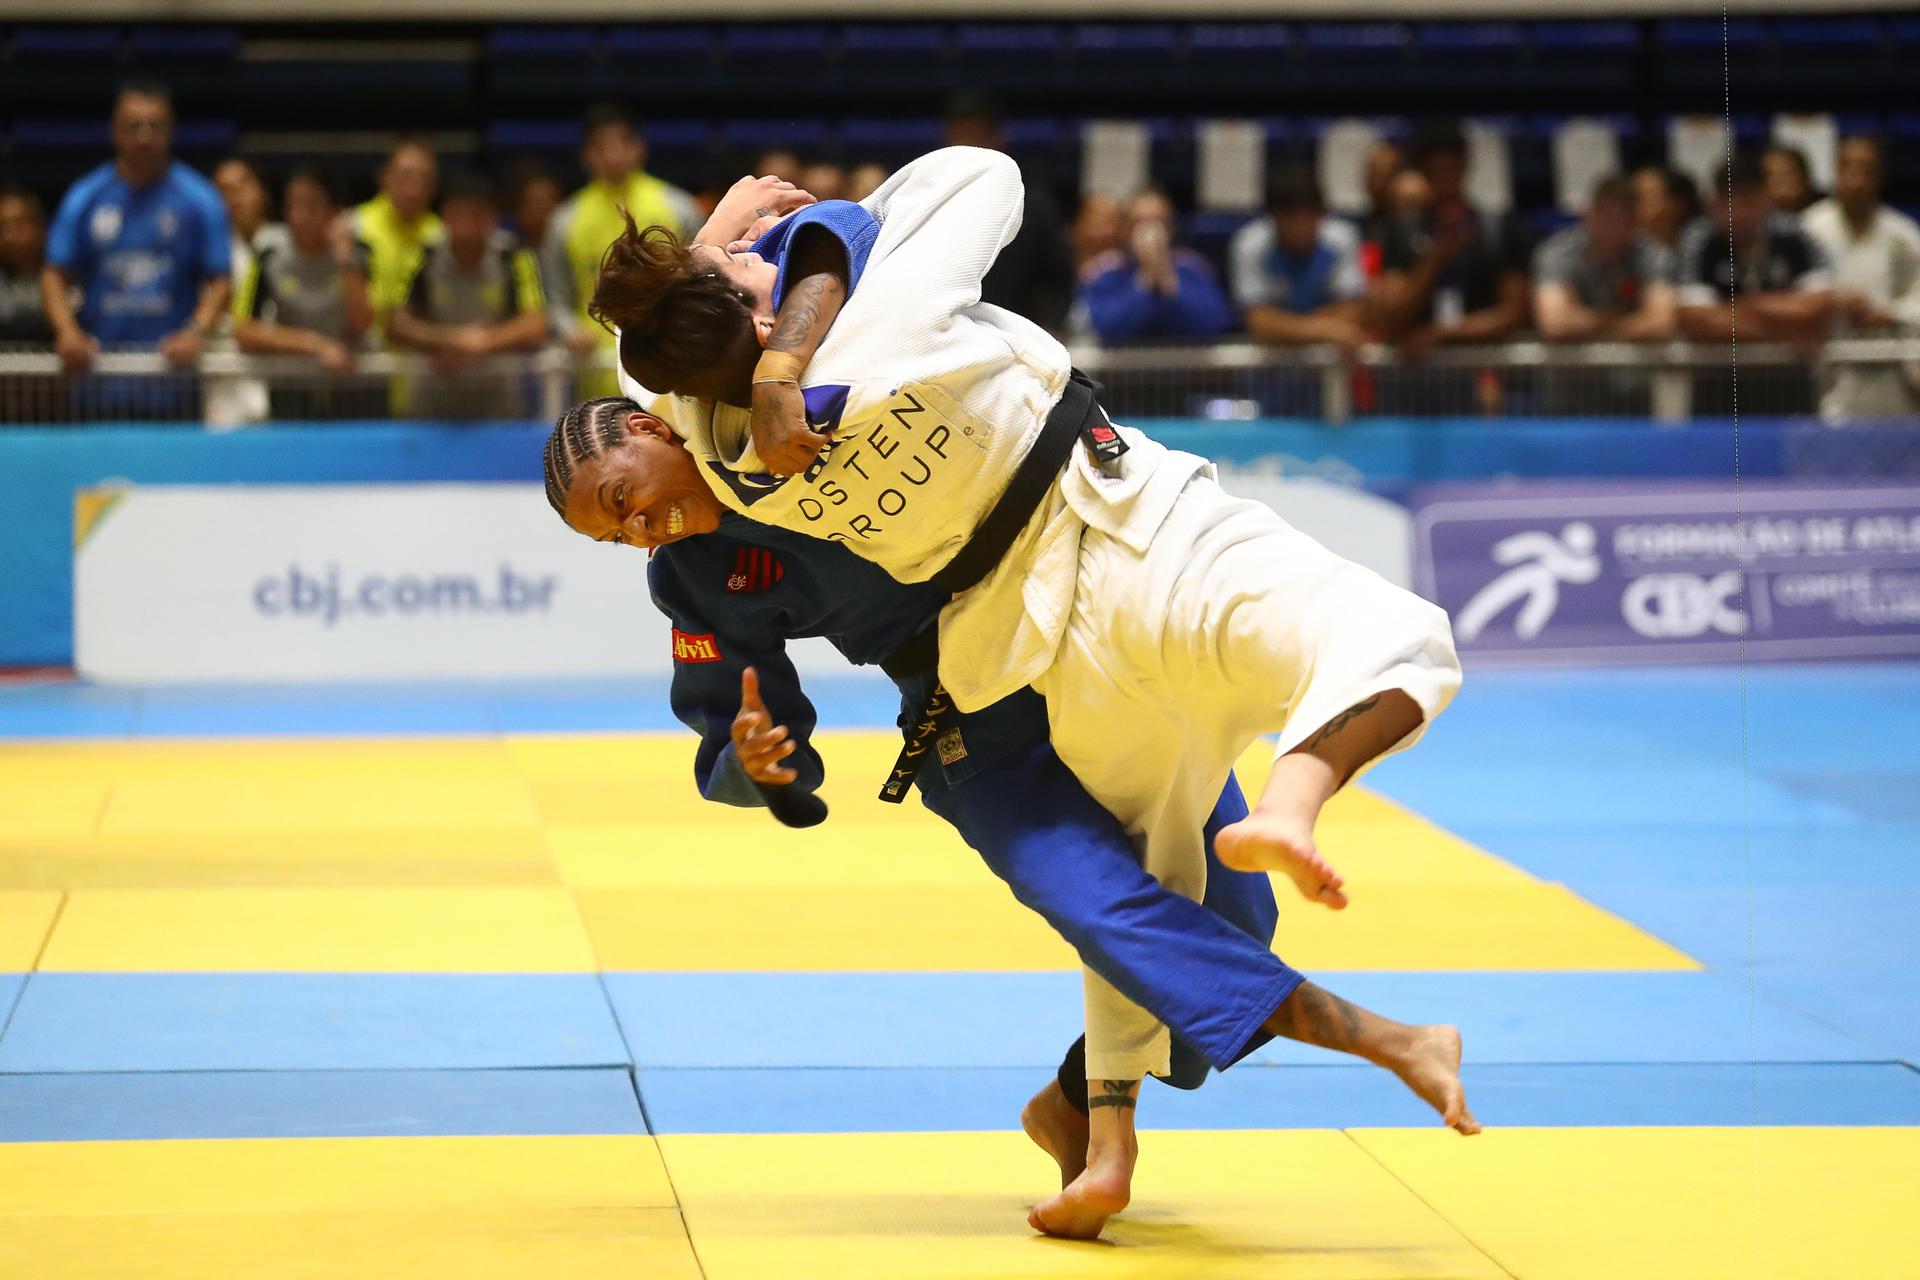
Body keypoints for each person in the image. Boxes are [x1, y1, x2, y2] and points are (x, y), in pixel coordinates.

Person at [583, 146, 1474, 1236]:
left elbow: (870, 225)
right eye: (612, 529)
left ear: (648, 427)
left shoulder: (794, 347)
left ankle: (1079, 1108)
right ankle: (1359, 1041)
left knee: (1229, 918)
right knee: (1107, 900)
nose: (638, 531)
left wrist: (728, 253)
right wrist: (756, 766)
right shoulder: (694, 547)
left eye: (627, 500)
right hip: (967, 693)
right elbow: (731, 724)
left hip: (1088, 575)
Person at [41, 80, 231, 379]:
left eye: (155, 126)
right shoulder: (85, 195)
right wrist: (68, 332)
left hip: (173, 380)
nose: (145, 137)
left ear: (172, 130)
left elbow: (221, 279)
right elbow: (54, 274)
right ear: (114, 130)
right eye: (133, 126)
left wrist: (195, 332)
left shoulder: (201, 198)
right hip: (99, 374)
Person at [542, 103, 702, 395]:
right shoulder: (564, 221)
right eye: (602, 147)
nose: (613, 155)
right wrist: (569, 331)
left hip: (669, 364)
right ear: (586, 154)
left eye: (622, 144)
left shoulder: (680, 208)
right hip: (595, 370)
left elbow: (701, 280)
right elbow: (555, 299)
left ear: (639, 148)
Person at [388, 174, 546, 419]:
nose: (466, 227)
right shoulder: (420, 255)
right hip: (432, 402)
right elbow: (397, 325)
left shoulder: (514, 256)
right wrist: (453, 340)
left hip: (497, 405)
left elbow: (535, 325)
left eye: (476, 216)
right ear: (444, 218)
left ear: (492, 218)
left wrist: (484, 342)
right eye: (457, 215)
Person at [1372, 120, 1531, 354]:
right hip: (1414, 378)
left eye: (1450, 170)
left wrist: (1442, 333)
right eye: (1435, 173)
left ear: (1465, 167)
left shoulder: (1499, 229)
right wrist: (1434, 259)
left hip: (1486, 372)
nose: (1444, 182)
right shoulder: (1400, 231)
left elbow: (1514, 313)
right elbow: (1391, 313)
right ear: (1422, 173)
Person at [232, 169, 375, 416]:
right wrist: (315, 345)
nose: (297, 217)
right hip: (292, 395)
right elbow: (244, 331)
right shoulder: (269, 256)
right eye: (291, 206)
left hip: (353, 392)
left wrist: (345, 260)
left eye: (310, 207)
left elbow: (362, 324)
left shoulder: (360, 252)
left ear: (335, 213)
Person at [1800, 136, 1920, 421]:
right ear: (1834, 172)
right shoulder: (1807, 228)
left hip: (1887, 369)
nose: (1856, 180)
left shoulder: (1902, 235)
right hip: (1820, 365)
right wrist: (1831, 304)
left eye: (1866, 170)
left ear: (1880, 177)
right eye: (1847, 168)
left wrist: (1890, 313)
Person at [943, 93, 1076, 335]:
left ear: (997, 139)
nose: (968, 146)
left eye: (977, 136)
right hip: (949, 339)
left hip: (1017, 341)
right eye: (960, 136)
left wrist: (1051, 328)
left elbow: (1059, 275)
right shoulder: (933, 199)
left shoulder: (1032, 202)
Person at [1676, 153, 1834, 347]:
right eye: (1729, 201)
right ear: (1714, 203)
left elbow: (1820, 306)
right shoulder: (1698, 239)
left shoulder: (1793, 233)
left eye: (1749, 200)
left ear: (1766, 198)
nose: (1739, 212)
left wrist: (1740, 305)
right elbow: (1696, 321)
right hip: (1718, 372)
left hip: (1790, 373)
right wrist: (1785, 329)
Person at [1229, 166, 1369, 352]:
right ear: (1273, 217)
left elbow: (1351, 313)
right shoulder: (1249, 245)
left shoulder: (1342, 238)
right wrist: (1328, 330)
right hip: (1269, 367)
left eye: (1308, 215)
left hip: (1328, 365)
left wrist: (1284, 325)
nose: (1299, 227)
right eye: (1290, 217)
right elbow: (1259, 323)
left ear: (1321, 213)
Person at [1077, 188, 1234, 345]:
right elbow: (1105, 329)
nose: (1150, 232)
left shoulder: (1194, 268)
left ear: (1171, 227)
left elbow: (1212, 326)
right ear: (1124, 229)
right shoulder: (1104, 272)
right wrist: (1145, 280)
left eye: (1158, 221)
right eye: (1139, 222)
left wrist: (1167, 278)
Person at [1532, 176, 1675, 341]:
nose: (1614, 227)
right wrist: (1625, 320)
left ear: (1637, 221)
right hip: (1572, 362)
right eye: (1607, 216)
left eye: (1624, 218)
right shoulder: (1556, 252)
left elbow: (1661, 324)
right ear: (1588, 214)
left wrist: (1584, 319)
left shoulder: (1654, 254)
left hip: (1638, 361)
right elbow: (1554, 324)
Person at [348, 135, 441, 337]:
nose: (414, 188)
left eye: (424, 179)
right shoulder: (353, 226)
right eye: (406, 176)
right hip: (362, 352)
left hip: (423, 354)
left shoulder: (440, 236)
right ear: (384, 176)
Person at [213, 156, 288, 283]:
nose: (235, 196)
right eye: (224, 189)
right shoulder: (212, 252)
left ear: (264, 192)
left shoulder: (289, 242)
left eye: (242, 185)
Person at [0, 187, 53, 346]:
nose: (10, 236)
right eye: (1, 227)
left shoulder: (67, 278)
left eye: (19, 224)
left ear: (41, 228)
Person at [1631, 165, 1703, 253]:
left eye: (1641, 198)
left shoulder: (1705, 245)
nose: (1633, 208)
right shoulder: (1636, 246)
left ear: (1678, 205)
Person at [1763, 143, 1819, 217]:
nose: (1777, 183)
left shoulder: (1826, 214)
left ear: (1804, 177)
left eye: (1786, 174)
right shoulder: (1760, 219)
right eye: (1770, 175)